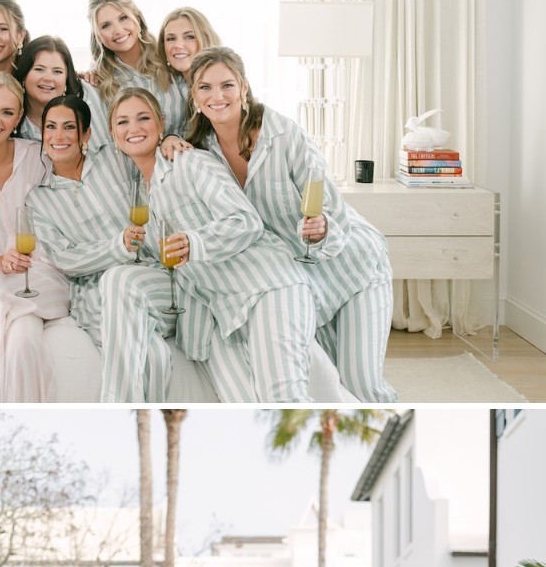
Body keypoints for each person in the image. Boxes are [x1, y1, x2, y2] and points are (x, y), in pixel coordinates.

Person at [186, 46, 396, 402]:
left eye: (227, 85)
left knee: (363, 385)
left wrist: (324, 226)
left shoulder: (282, 135)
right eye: (205, 87)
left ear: (244, 88)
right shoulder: (200, 149)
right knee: (332, 384)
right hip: (302, 278)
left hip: (353, 265)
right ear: (194, 96)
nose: (217, 96)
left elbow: (328, 201)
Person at [106, 87, 318, 403]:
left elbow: (245, 220)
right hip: (219, 312)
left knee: (282, 397)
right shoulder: (139, 199)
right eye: (122, 122)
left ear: (161, 124)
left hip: (268, 285)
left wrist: (195, 242)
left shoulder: (191, 163)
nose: (133, 129)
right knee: (240, 406)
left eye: (143, 118)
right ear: (113, 134)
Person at [26, 94, 215, 404]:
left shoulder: (114, 160)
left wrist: (169, 139)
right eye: (50, 127)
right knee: (153, 356)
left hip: (151, 279)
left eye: (68, 128)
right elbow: (64, 259)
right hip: (96, 294)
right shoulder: (39, 198)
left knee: (148, 340)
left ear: (86, 134)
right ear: (42, 134)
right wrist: (118, 247)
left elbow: (144, 149)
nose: (58, 137)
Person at [0, 72, 69, 402]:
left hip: (45, 279)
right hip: (0, 285)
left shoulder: (39, 157)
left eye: (7, 112)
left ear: (19, 116)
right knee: (22, 342)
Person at [14, 36, 107, 149]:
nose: (48, 78)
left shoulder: (90, 95)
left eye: (57, 71)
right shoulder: (13, 119)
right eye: (39, 69)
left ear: (67, 78)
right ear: (24, 74)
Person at [155, 6, 221, 139]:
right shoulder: (174, 85)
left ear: (205, 39)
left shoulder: (223, 80)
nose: (178, 45)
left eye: (189, 37)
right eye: (170, 39)